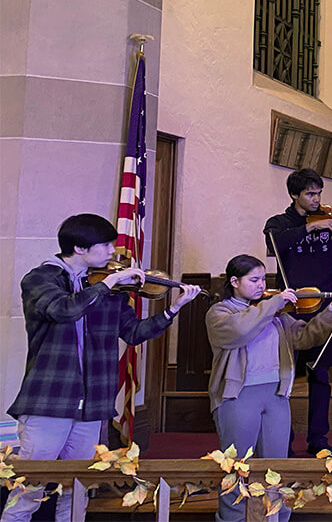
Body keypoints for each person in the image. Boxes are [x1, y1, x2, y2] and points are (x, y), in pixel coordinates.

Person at [3, 214, 201, 522]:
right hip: (50, 401)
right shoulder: (40, 279)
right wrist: (108, 283)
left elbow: (134, 332)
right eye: (106, 245)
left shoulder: (109, 290)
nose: (113, 252)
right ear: (80, 248)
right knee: (30, 486)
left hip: (92, 404)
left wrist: (173, 309)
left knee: (78, 489)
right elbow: (63, 310)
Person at [206, 255, 332, 522]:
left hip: (276, 395)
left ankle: (275, 517)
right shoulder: (220, 312)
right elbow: (241, 331)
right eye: (254, 280)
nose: (262, 286)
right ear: (234, 282)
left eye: (264, 280)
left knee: (276, 466)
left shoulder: (275, 315)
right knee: (236, 468)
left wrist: (331, 312)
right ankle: (233, 518)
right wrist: (274, 303)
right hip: (238, 396)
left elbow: (306, 337)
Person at [263, 167, 332, 455]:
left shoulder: (331, 222)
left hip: (323, 312)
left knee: (321, 376)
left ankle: (318, 439)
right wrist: (309, 228)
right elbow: (275, 244)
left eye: (319, 193)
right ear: (294, 195)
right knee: (285, 379)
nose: (316, 199)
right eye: (310, 194)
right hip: (290, 311)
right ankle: (283, 439)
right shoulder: (278, 223)